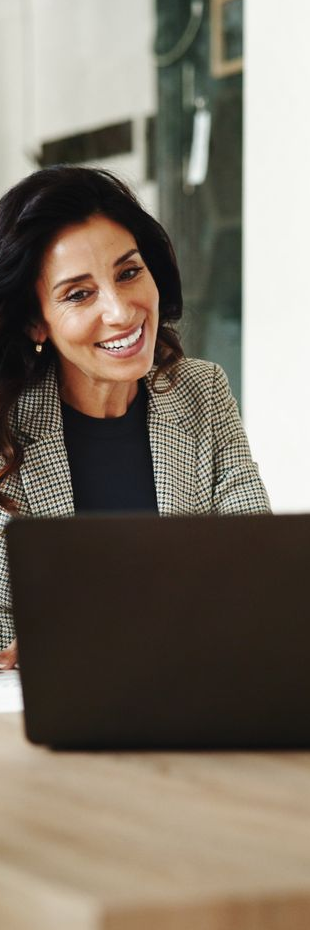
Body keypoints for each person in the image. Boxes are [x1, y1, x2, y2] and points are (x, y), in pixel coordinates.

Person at [0, 165, 270, 667]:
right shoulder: (5, 431)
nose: (122, 312)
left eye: (128, 273)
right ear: (36, 321)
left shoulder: (202, 393)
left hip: (190, 701)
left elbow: (258, 575)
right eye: (79, 294)